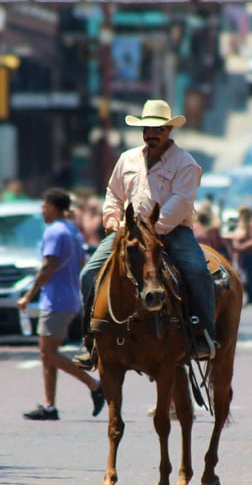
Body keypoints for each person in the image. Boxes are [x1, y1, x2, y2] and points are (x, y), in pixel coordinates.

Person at [74, 99, 217, 369]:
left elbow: (181, 202)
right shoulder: (126, 159)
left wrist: (151, 231)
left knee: (198, 271)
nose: (152, 134)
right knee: (88, 274)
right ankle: (91, 339)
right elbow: (113, 193)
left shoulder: (186, 164)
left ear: (169, 130)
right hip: (127, 231)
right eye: (147, 129)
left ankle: (203, 334)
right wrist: (112, 218)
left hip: (172, 231)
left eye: (158, 129)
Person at [18, 187, 105, 421]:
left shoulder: (54, 232)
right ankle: (49, 406)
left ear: (54, 208)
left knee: (48, 353)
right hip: (69, 298)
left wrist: (28, 296)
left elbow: (47, 266)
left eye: (44, 207)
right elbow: (82, 263)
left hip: (55, 301)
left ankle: (95, 385)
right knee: (49, 354)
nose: (42, 211)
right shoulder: (72, 231)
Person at [231, 206, 252, 308]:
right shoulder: (242, 225)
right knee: (244, 277)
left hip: (251, 254)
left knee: (249, 276)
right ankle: (251, 298)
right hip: (243, 254)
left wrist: (242, 246)